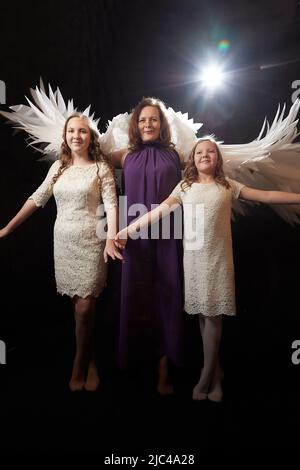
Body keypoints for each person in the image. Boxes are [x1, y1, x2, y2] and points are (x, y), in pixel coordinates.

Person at [115, 137, 300, 402]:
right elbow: (155, 214)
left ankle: (205, 378)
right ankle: (216, 374)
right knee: (203, 316)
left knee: (213, 317)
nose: (205, 155)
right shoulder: (184, 187)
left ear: (217, 159)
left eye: (210, 151)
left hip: (218, 261)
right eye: (199, 152)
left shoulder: (228, 186)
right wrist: (127, 230)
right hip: (193, 262)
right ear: (192, 159)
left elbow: (267, 196)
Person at [0, 113, 122, 392]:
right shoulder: (58, 167)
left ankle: (78, 365)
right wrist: (8, 227)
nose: (76, 135)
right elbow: (37, 198)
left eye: (82, 131)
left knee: (86, 306)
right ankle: (91, 360)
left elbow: (112, 205)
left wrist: (111, 239)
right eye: (71, 131)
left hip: (92, 241)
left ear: (90, 136)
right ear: (65, 136)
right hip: (64, 243)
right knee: (79, 308)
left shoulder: (100, 168)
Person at [109, 97, 186, 395]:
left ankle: (165, 368)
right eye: (143, 120)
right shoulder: (124, 156)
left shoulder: (176, 155)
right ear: (136, 125)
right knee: (136, 297)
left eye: (153, 119)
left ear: (162, 124)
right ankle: (136, 363)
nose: (148, 124)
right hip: (132, 237)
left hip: (167, 235)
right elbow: (90, 156)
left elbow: (211, 161)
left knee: (166, 298)